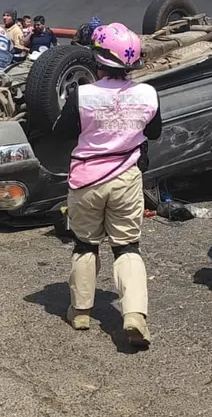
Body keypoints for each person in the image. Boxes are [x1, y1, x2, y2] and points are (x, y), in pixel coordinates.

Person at [51, 22, 162, 350]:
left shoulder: (82, 95)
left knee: (85, 244)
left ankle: (81, 312)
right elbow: (153, 133)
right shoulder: (147, 94)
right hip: (127, 178)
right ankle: (134, 315)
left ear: (98, 61)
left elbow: (61, 132)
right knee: (127, 246)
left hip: (87, 179)